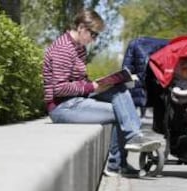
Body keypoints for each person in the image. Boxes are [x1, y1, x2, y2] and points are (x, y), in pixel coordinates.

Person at [42, 9, 161, 177]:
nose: (94, 39)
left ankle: (128, 148)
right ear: (82, 27)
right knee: (120, 112)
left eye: (96, 35)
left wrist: (104, 83)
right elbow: (59, 88)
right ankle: (117, 163)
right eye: (93, 34)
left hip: (77, 100)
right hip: (62, 107)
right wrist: (92, 87)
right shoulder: (63, 48)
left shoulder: (79, 48)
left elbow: (79, 81)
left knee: (120, 89)